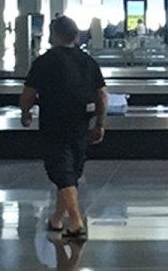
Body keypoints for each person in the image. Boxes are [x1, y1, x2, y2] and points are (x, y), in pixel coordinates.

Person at [20, 16, 107, 242]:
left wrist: (26, 112)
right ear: (76, 36)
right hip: (81, 122)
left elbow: (29, 93)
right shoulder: (88, 61)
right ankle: (57, 219)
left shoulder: (45, 61)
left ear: (54, 35)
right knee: (71, 170)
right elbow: (102, 95)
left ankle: (76, 222)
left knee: (61, 170)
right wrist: (100, 123)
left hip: (54, 121)